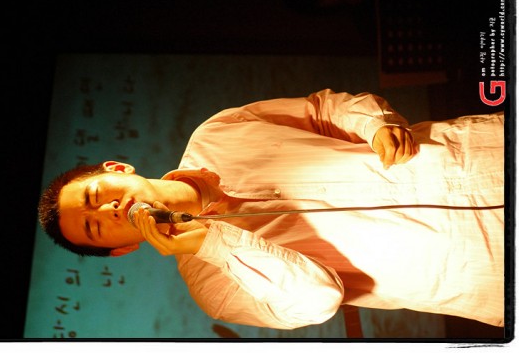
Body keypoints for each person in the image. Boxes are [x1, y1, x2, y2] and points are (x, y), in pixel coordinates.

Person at [38, 89, 505, 329]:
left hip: (479, 155)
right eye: (97, 228)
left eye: (95, 196)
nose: (109, 210)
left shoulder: (217, 132)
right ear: (121, 250)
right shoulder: (213, 289)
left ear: (117, 167)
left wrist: (374, 124)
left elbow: (323, 110)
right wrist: (213, 244)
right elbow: (318, 300)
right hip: (486, 271)